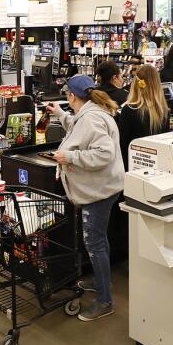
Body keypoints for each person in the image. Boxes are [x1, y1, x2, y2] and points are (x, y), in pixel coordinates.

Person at [44, 74, 125, 322]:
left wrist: (69, 158)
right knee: (98, 241)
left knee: (95, 243)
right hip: (104, 188)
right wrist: (60, 114)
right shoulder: (89, 113)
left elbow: (103, 154)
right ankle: (102, 281)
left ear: (71, 96)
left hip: (98, 192)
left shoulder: (91, 118)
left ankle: (104, 301)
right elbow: (80, 131)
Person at [116, 64, 170, 168]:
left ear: (135, 83)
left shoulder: (129, 110)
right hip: (158, 165)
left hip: (134, 166)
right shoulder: (164, 110)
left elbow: (122, 145)